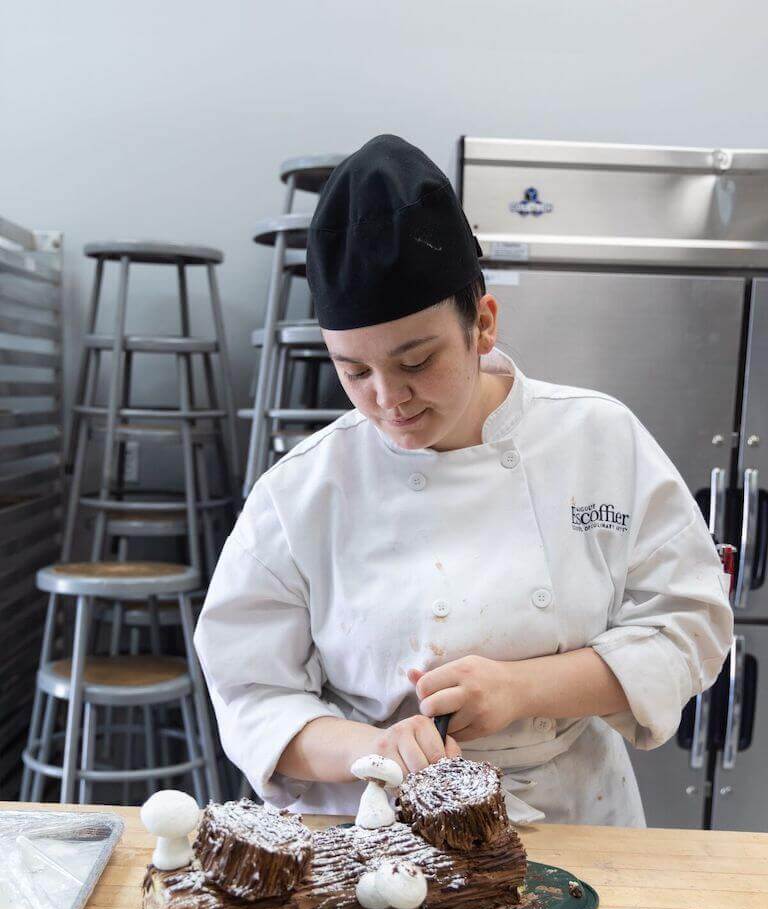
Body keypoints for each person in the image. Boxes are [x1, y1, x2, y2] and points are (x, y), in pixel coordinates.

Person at [193, 133, 733, 826]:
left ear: (481, 322)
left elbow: (690, 621)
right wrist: (377, 747)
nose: (389, 399)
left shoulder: (598, 439)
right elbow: (249, 690)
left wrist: (522, 688)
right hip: (381, 828)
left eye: (416, 361)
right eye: (354, 372)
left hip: (575, 818)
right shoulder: (302, 492)